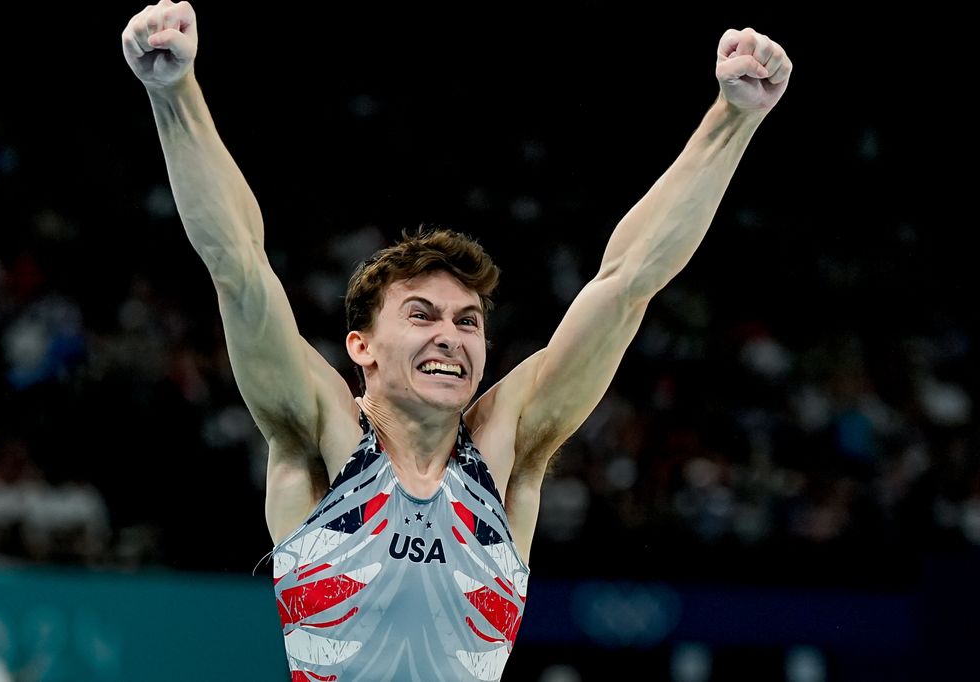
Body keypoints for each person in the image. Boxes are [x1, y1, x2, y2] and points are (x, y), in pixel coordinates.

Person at [121, 2, 792, 679]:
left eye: (468, 321)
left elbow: (627, 281)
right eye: (422, 315)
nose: (451, 336)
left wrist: (732, 118)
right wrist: (174, 94)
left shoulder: (508, 445)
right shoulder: (317, 439)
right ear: (361, 347)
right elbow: (237, 263)